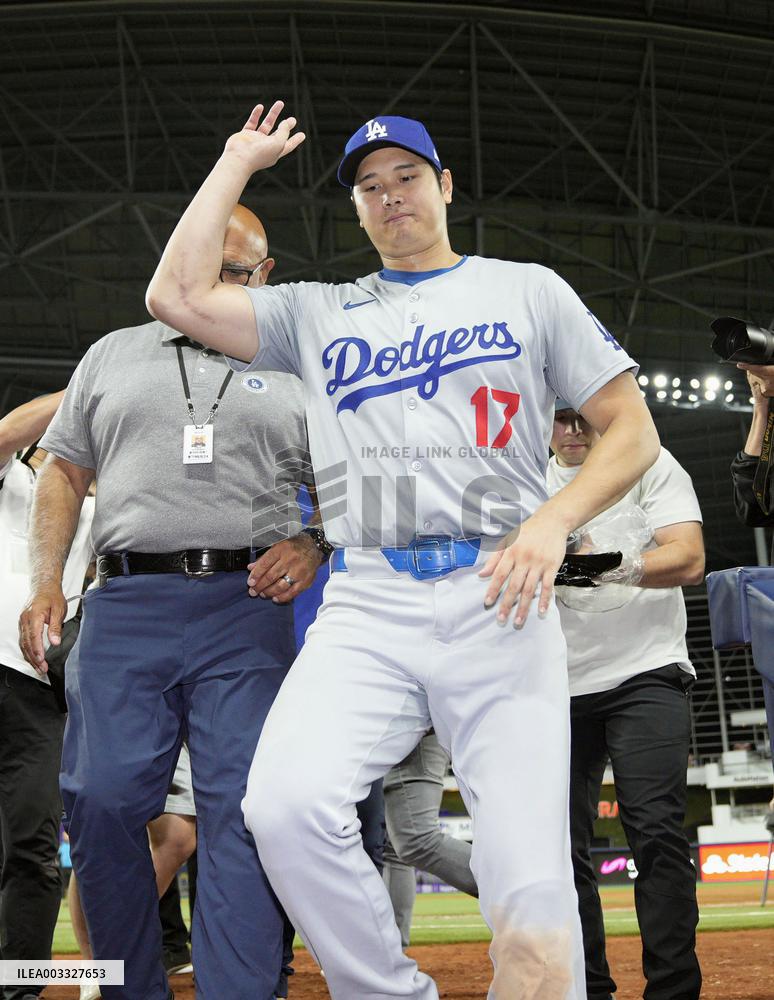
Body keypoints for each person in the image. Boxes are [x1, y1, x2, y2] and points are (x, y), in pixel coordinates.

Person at [145, 102, 660, 999]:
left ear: (445, 185)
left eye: (407, 178)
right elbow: (175, 298)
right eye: (369, 188)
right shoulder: (318, 311)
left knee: (531, 876)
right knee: (285, 805)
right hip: (369, 596)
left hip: (499, 588)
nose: (390, 199)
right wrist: (235, 163)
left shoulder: (527, 288)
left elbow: (632, 429)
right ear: (355, 210)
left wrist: (551, 519)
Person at [19, 205, 329, 1000]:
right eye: (203, 263)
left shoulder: (299, 371)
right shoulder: (111, 356)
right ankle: (127, 986)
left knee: (241, 809)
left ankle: (240, 990)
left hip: (247, 605)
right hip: (124, 602)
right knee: (99, 797)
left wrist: (315, 543)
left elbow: (354, 485)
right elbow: (61, 473)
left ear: (265, 278)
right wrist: (47, 581)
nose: (216, 282)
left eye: (237, 271)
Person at [548, 404, 704, 1000]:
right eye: (559, 419)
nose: (571, 431)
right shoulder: (522, 478)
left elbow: (688, 557)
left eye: (581, 417)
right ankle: (587, 990)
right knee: (559, 847)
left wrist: (603, 566)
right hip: (555, 684)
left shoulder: (651, 462)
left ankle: (673, 992)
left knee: (656, 833)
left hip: (646, 671)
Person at [0, 393, 94, 1000]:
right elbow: (6, 431)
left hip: (38, 691)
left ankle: (19, 988)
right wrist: (87, 385)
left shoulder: (101, 504)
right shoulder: (12, 481)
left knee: (34, 845)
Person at [382, 731, 478, 948]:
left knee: (417, 840)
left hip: (412, 731)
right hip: (411, 733)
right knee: (396, 849)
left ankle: (519, 892)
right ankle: (392, 951)